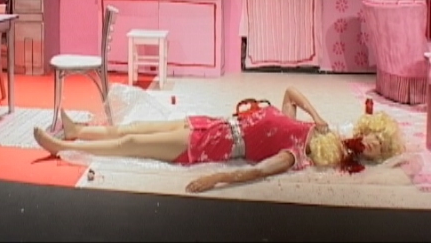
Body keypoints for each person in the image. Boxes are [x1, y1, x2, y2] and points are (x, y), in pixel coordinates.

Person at [32, 86, 405, 193]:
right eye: (371, 137)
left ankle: (66, 146)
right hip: (212, 123)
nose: (368, 141)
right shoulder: (299, 126)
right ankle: (79, 131)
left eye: (374, 145)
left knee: (130, 145)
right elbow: (291, 92)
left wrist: (216, 178)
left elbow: (257, 171)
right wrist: (318, 117)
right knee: (137, 128)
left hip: (211, 145)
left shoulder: (296, 154)